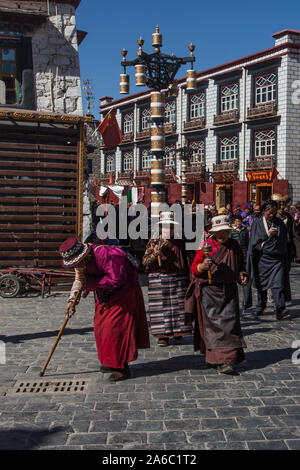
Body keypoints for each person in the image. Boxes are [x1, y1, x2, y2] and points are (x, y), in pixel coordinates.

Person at [60, 237, 150, 382]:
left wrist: (91, 283)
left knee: (115, 329)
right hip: (104, 294)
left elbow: (116, 279)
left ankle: (121, 367)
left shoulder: (107, 254)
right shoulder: (80, 263)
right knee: (101, 327)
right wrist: (71, 301)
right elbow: (79, 279)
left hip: (123, 292)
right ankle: (110, 361)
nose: (77, 266)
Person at [185, 214, 248, 375]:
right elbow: (194, 269)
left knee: (230, 326)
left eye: (226, 232)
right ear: (214, 232)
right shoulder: (206, 245)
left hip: (230, 292)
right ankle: (218, 360)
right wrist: (203, 267)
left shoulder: (234, 245)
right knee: (215, 328)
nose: (223, 235)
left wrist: (242, 274)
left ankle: (227, 359)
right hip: (211, 292)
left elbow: (241, 264)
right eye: (220, 233)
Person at [142, 211, 192, 347]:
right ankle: (162, 336)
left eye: (170, 226)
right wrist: (155, 254)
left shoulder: (180, 241)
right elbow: (145, 262)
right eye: (164, 226)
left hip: (178, 277)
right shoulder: (154, 242)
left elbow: (187, 259)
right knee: (160, 308)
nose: (167, 229)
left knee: (178, 307)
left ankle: (178, 332)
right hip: (158, 279)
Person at [246, 200, 290, 320]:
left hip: (277, 260)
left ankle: (280, 309)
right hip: (262, 258)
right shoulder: (258, 223)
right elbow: (255, 242)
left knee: (278, 285)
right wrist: (268, 235)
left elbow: (285, 240)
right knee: (262, 285)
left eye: (273, 212)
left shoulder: (279, 222)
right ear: (264, 211)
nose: (271, 215)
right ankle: (261, 306)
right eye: (269, 212)